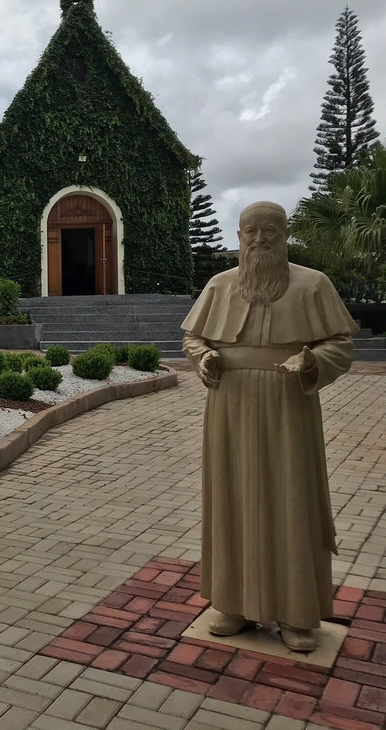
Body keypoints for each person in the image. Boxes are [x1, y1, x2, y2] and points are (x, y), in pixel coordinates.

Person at [181, 201, 358, 652]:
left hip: (287, 405)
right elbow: (193, 336)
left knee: (291, 499)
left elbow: (340, 342)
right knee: (231, 497)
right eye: (250, 232)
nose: (259, 240)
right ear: (239, 236)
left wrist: (312, 361)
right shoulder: (220, 286)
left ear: (285, 234)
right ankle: (232, 603)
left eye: (270, 232)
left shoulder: (312, 284)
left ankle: (297, 613)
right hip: (230, 407)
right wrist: (204, 357)